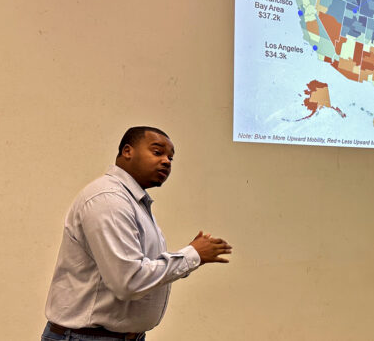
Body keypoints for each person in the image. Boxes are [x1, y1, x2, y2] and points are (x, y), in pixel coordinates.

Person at [41, 126, 232, 340]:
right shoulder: (108, 199)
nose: (167, 161)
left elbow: (143, 268)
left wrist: (193, 257)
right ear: (127, 151)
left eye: (171, 157)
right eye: (158, 152)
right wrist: (191, 255)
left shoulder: (132, 202)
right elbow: (129, 282)